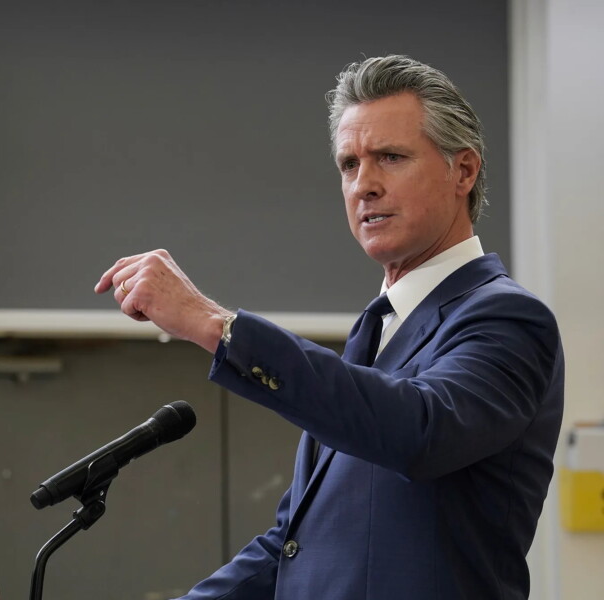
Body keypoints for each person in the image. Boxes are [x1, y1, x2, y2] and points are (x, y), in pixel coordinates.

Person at [94, 55, 564, 599]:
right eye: (349, 164)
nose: (364, 185)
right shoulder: (375, 333)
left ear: (463, 171)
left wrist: (215, 325)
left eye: (390, 157)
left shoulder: (507, 317)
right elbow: (292, 549)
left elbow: (420, 431)